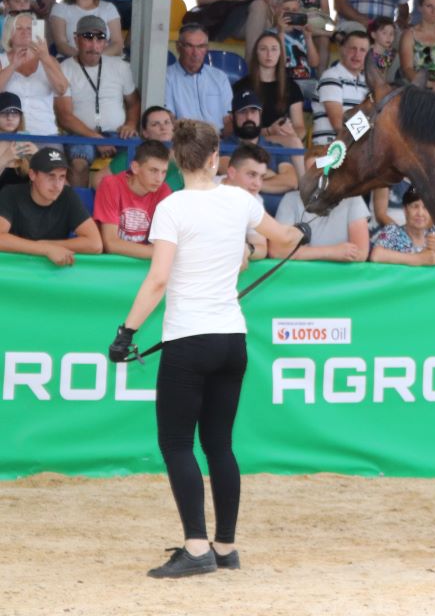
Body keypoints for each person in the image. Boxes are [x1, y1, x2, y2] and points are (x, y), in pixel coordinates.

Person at [107, 118, 307, 578]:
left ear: (177, 160)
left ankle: (196, 548)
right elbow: (283, 239)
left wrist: (127, 332)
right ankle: (225, 547)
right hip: (231, 340)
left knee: (177, 443)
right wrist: (300, 233)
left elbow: (158, 279)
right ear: (217, 158)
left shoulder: (172, 207)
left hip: (188, 339)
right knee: (220, 445)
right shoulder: (239, 199)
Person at [54, 15, 141, 187]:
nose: (94, 46)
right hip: (81, 135)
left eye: (100, 38)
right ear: (76, 39)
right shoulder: (64, 69)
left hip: (118, 134)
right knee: (79, 163)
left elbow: (134, 102)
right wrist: (97, 139)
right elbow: (64, 116)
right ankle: (80, 211)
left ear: (106, 42)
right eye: (87, 37)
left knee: (141, 157)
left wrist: (130, 124)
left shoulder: (120, 67)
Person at [0, 146, 101, 265]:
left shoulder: (67, 195)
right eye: (51, 176)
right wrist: (45, 249)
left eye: (62, 177)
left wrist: (48, 245)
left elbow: (95, 244)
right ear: (32, 175)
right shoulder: (11, 193)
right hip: (16, 269)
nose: (57, 185)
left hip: (52, 272)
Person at [271, 147, 369, 262]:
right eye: (312, 172)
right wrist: (334, 252)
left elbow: (361, 253)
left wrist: (302, 253)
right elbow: (276, 251)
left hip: (342, 278)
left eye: (323, 171)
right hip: (302, 276)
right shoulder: (290, 199)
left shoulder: (353, 199)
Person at [94, 139, 172, 259]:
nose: (159, 179)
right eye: (153, 171)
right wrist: (154, 253)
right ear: (135, 167)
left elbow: (163, 243)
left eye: (163, 172)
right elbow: (111, 244)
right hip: (110, 263)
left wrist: (157, 251)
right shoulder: (111, 184)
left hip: (141, 265)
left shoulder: (163, 191)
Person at [0, 11, 69, 138]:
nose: (25, 31)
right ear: (10, 34)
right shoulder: (1, 60)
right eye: (19, 28)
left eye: (30, 28)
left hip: (45, 133)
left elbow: (62, 89)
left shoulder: (50, 61)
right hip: (8, 136)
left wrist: (45, 58)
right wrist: (12, 66)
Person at [222, 91, 300, 194]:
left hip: (279, 209)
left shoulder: (277, 148)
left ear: (260, 114)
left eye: (253, 111)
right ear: (232, 116)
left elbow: (291, 181)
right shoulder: (223, 147)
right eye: (242, 112)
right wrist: (273, 177)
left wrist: (251, 181)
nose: (249, 117)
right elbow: (231, 173)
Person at [231, 32, 305, 138]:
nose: (269, 54)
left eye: (274, 49)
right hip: (250, 142)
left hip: (281, 143)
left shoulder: (292, 87)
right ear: (256, 53)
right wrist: (269, 132)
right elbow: (236, 128)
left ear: (280, 53)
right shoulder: (241, 87)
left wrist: (288, 135)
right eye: (263, 49)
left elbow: (300, 127)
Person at [165, 24, 233, 134]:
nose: (195, 53)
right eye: (189, 46)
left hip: (216, 142)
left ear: (207, 48)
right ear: (178, 47)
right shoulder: (167, 77)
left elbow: (228, 120)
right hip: (184, 142)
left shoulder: (220, 77)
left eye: (201, 46)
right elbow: (169, 118)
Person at [49, 0, 124, 59]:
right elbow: (61, 45)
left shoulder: (108, 8)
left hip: (105, 61)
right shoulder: (60, 9)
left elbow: (117, 44)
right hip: (71, 60)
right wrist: (83, 58)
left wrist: (96, 58)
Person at [105, 106, 184, 192]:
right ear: (145, 133)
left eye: (167, 122)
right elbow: (97, 179)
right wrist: (125, 197)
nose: (163, 127)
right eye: (155, 124)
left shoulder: (186, 155)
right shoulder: (134, 154)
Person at [312, 30, 370, 146]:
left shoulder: (367, 83)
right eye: (352, 48)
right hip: (330, 146)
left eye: (362, 50)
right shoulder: (331, 76)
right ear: (342, 50)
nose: (357, 54)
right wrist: (369, 129)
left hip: (355, 147)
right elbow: (338, 124)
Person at [369, 186, 435, 266]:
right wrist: (419, 259)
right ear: (405, 210)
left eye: (426, 207)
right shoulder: (393, 232)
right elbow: (376, 256)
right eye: (415, 206)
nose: (420, 213)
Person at [271, 0, 320, 98]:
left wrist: (308, 37)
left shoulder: (301, 34)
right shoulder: (271, 35)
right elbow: (280, 64)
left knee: (327, 91)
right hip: (285, 82)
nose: (291, 14)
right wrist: (281, 34)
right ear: (275, 10)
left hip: (307, 82)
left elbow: (314, 63)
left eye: (294, 10)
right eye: (286, 10)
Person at [0, 92, 37, 192]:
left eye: (14, 113)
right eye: (4, 112)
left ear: (21, 117)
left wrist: (38, 157)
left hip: (23, 204)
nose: (10, 118)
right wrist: (5, 158)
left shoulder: (25, 142)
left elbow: (43, 185)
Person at [365, 17, 399, 86]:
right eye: (384, 33)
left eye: (391, 34)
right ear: (373, 35)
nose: (389, 37)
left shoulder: (391, 54)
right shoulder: (367, 52)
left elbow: (384, 74)